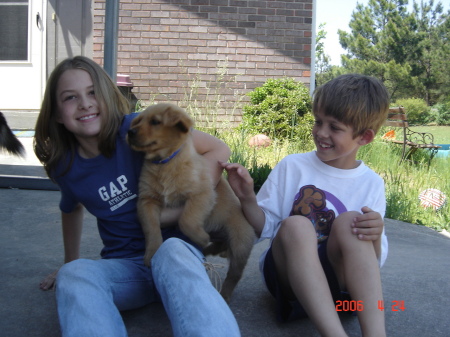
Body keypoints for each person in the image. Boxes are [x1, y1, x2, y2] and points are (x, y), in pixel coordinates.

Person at [34, 56, 240, 337]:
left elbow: (217, 148)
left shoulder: (136, 130)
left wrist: (189, 203)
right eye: (70, 98)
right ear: (57, 114)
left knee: (173, 251)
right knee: (75, 275)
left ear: (107, 96)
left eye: (93, 92)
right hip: (128, 270)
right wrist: (69, 262)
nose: (85, 103)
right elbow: (71, 208)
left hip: (176, 257)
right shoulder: (66, 167)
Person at [221, 74, 390, 337]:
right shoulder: (293, 166)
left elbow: (374, 260)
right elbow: (267, 227)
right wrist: (247, 199)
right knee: (297, 225)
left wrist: (375, 235)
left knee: (352, 221)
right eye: (318, 121)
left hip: (341, 289)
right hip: (288, 278)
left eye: (334, 127)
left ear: (364, 137)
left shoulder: (372, 183)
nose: (321, 132)